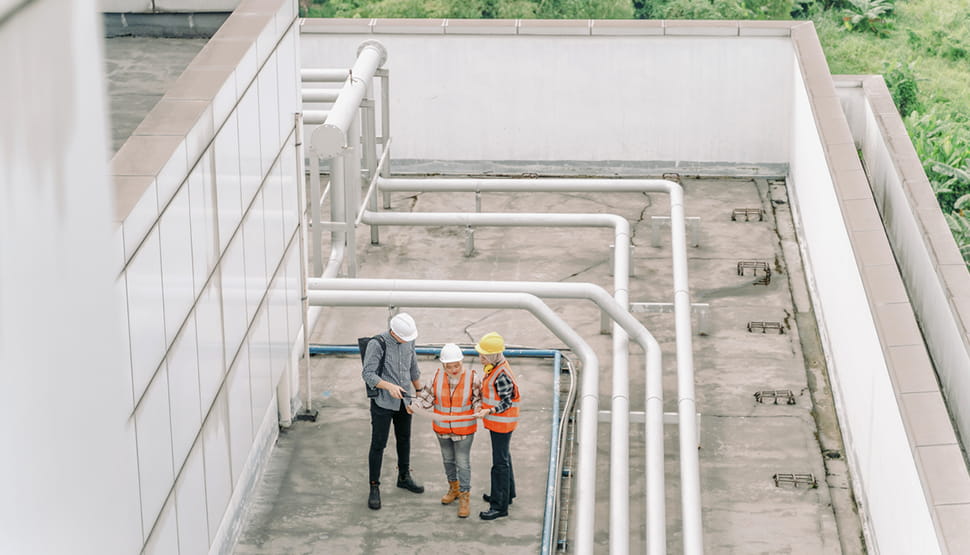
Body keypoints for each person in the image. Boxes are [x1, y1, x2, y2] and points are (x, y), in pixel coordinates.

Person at [361, 312, 425, 510]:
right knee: (378, 444)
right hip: (383, 403)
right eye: (403, 337)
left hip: (404, 401)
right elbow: (368, 374)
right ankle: (374, 487)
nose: (407, 341)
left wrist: (420, 390)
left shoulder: (408, 340)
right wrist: (389, 387)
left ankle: (404, 476)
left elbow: (412, 366)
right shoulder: (377, 344)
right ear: (393, 332)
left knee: (404, 438)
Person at [413, 343, 482, 518]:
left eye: (456, 365)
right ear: (443, 365)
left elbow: (477, 399)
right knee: (448, 460)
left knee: (462, 463)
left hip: (464, 430)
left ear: (462, 362)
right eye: (449, 366)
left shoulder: (472, 378)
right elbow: (427, 398)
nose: (453, 369)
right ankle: (454, 488)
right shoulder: (436, 377)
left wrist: (478, 410)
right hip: (442, 429)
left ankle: (465, 496)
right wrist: (415, 405)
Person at [474, 332, 520, 520]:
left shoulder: (500, 375)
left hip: (502, 424)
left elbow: (506, 402)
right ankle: (507, 495)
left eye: (484, 355)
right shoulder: (497, 366)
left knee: (499, 464)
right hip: (499, 424)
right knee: (504, 457)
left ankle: (499, 506)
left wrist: (489, 411)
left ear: (493, 356)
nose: (480, 358)